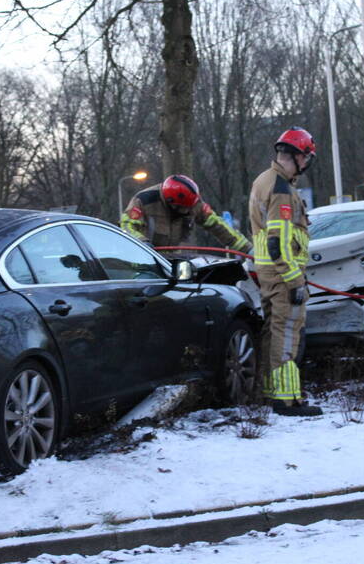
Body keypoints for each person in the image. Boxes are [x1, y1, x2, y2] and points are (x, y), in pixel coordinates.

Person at [248, 127, 321, 417]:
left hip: (268, 271)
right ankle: (286, 399)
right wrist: (294, 280)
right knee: (287, 332)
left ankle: (269, 390)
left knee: (273, 331)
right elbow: (278, 242)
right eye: (307, 157)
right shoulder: (280, 188)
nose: (307, 163)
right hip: (282, 274)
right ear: (298, 155)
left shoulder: (265, 180)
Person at [120, 174, 251, 254]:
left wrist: (247, 249)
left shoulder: (193, 203)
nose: (189, 211)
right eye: (185, 208)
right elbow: (127, 226)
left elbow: (218, 226)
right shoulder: (144, 201)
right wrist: (142, 243)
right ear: (172, 203)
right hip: (145, 260)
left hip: (174, 258)